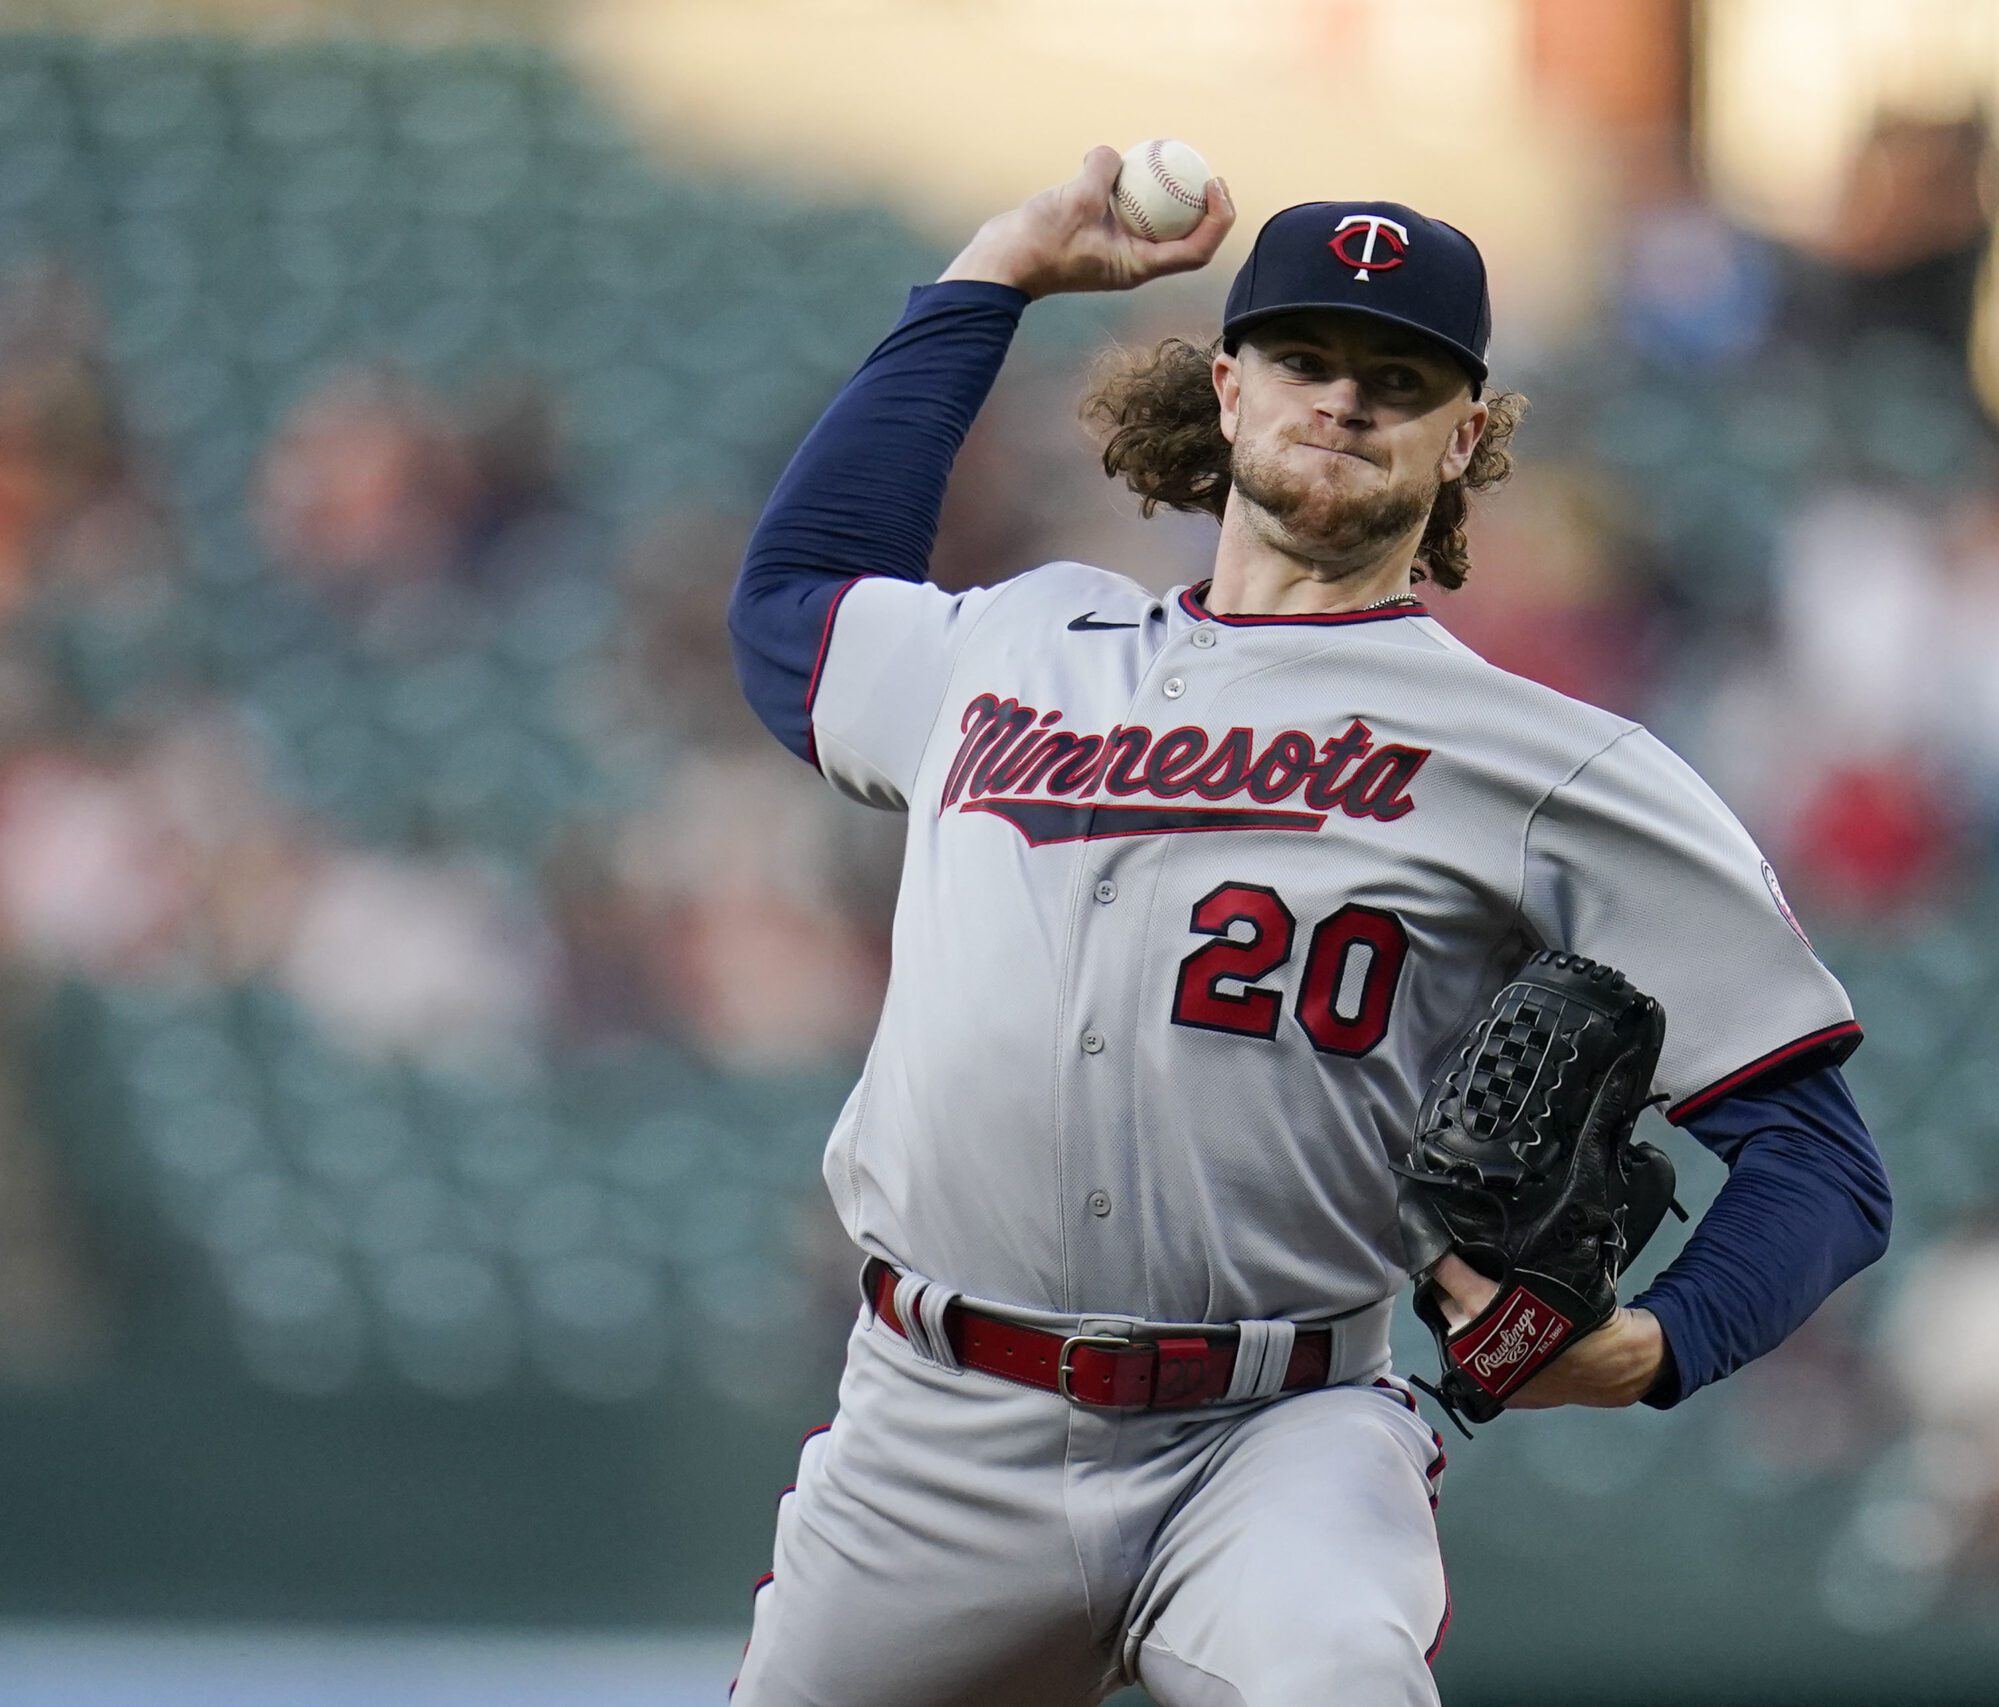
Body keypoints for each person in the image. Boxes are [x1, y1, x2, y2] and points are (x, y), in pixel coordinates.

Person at [723, 148, 1892, 1707]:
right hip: (934, 1420)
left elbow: (1822, 1157)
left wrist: (1651, 1347)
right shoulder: (1014, 643)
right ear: (1227, 386)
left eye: (1398, 381)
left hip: (1277, 1431)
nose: (1343, 401)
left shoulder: (1553, 765)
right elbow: (790, 604)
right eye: (1306, 359)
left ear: (1463, 439)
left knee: (1334, 1675)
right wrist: (990, 276)